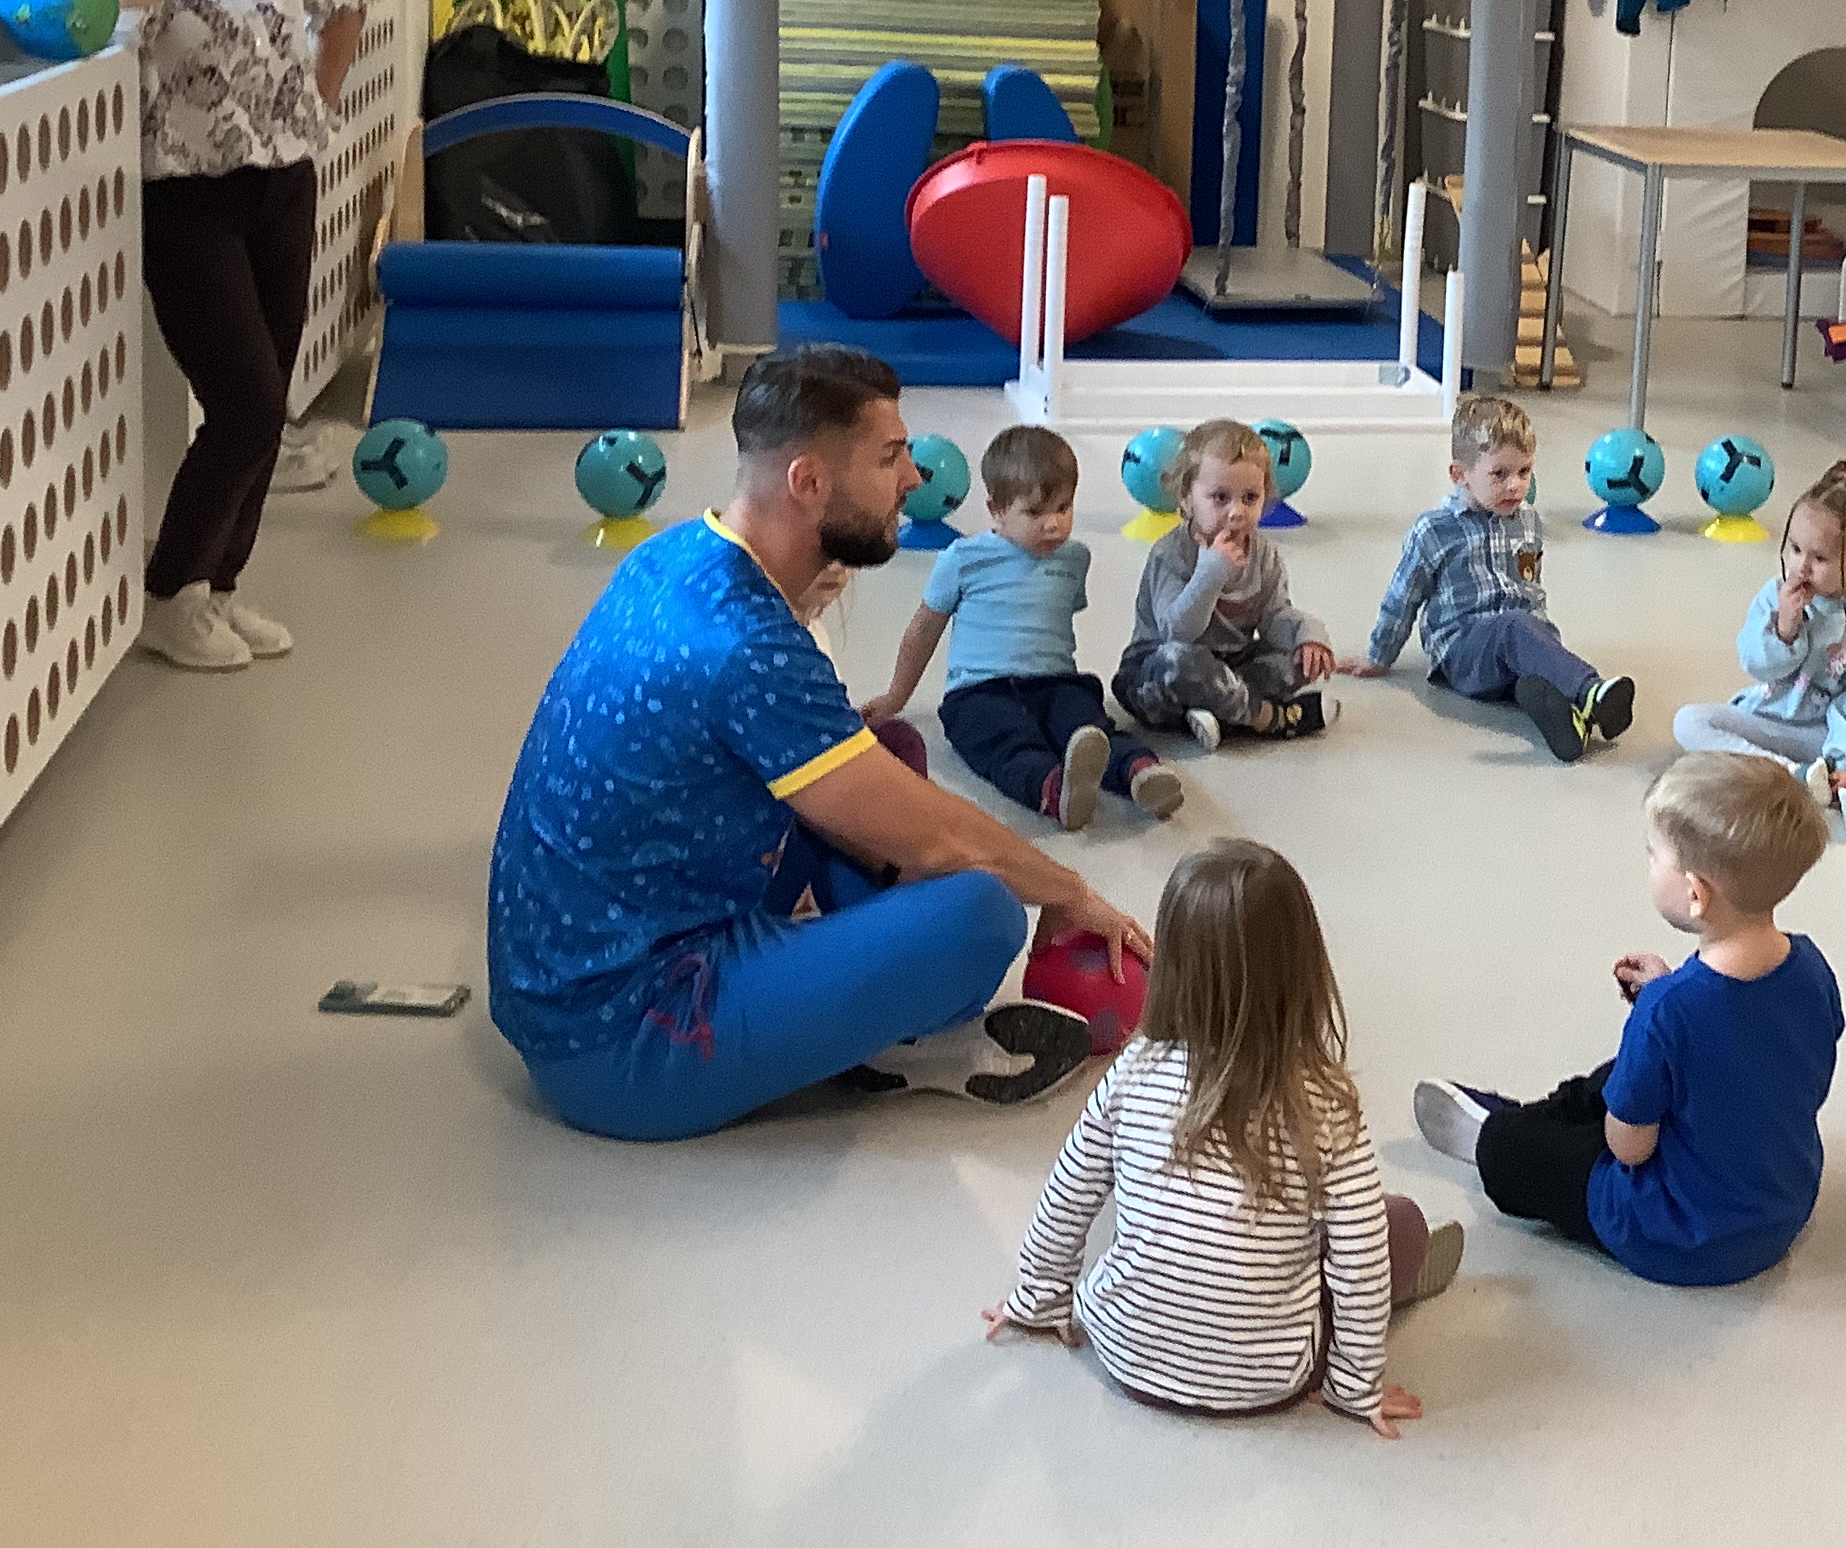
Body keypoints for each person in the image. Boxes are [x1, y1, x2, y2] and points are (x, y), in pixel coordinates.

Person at [486, 347, 1150, 1143]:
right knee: (982, 913)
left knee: (884, 752)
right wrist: (1068, 890)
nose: (913, 478)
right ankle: (893, 1041)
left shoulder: (676, 553)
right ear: (807, 482)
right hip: (622, 1044)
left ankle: (843, 1001)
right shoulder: (746, 646)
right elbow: (939, 840)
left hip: (592, 970)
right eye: (889, 457)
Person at [57, 0, 362, 672]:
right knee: (245, 400)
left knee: (271, 397)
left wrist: (318, 103)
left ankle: (219, 587)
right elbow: (122, 26)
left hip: (283, 174)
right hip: (182, 189)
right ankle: (170, 591)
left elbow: (343, 5)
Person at [988, 840, 1458, 1438]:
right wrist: (1353, 1386)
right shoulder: (1325, 1103)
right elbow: (1360, 1258)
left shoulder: (1134, 1069)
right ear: (1305, 971)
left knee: (1130, 1200)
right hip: (1268, 1377)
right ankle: (1396, 1287)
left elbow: (1070, 1190)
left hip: (1123, 1348)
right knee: (1398, 1223)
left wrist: (1039, 1297)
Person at [1414, 754, 1840, 1286]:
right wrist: (1665, 996)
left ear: (1695, 893)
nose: (1648, 863)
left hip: (1677, 1234)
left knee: (1518, 1151)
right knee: (1636, 1072)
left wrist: (1659, 1010)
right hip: (1781, 1208)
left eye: (1653, 854)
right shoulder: (1810, 967)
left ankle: (1500, 1130)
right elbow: (1778, 1060)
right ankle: (1555, 1118)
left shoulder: (1668, 1009)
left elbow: (1629, 1149)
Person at [861, 424, 1182, 830]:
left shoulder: (1074, 559)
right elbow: (924, 629)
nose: (1053, 524)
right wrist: (896, 695)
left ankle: (1140, 772)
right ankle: (1052, 789)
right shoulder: (963, 558)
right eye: (1034, 512)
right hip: (979, 690)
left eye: (1063, 508)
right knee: (1004, 742)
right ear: (995, 510)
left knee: (1089, 728)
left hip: (1057, 683)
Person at [1342, 393, 1633, 763]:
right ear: (1459, 475)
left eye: (1524, 472)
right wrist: (1378, 656)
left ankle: (1574, 721)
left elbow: (1531, 590)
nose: (1515, 486)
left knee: (1531, 665)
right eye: (1500, 474)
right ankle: (1591, 691)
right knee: (1514, 627)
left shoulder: (1529, 521)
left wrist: (1544, 639)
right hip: (1463, 651)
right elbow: (1403, 596)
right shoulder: (1434, 530)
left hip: (1519, 638)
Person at [1671, 463, 1846, 837]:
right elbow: (1754, 663)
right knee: (1690, 721)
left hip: (1831, 734)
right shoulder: (1776, 594)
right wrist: (1785, 629)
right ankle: (1793, 775)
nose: (1802, 566)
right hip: (1773, 721)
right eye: (1796, 549)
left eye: (1820, 558)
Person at [1113, 419, 1338, 747]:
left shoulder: (1265, 555)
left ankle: (1215, 713)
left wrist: (1308, 635)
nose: (1236, 512)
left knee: (1295, 659)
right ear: (1187, 498)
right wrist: (1210, 572)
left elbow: (1274, 617)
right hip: (1157, 668)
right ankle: (1268, 718)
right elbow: (1177, 632)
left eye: (1250, 497)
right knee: (1180, 661)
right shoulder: (1171, 554)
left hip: (1232, 666)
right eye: (1220, 497)